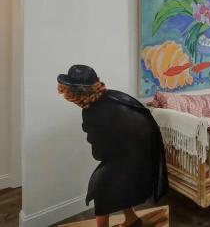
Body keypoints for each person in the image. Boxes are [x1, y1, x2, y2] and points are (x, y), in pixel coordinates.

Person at [57, 65, 168, 227]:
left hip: (135, 155)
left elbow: (99, 153)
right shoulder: (113, 96)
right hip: (145, 151)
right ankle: (132, 219)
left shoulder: (92, 112)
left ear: (77, 92)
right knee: (115, 185)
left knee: (101, 188)